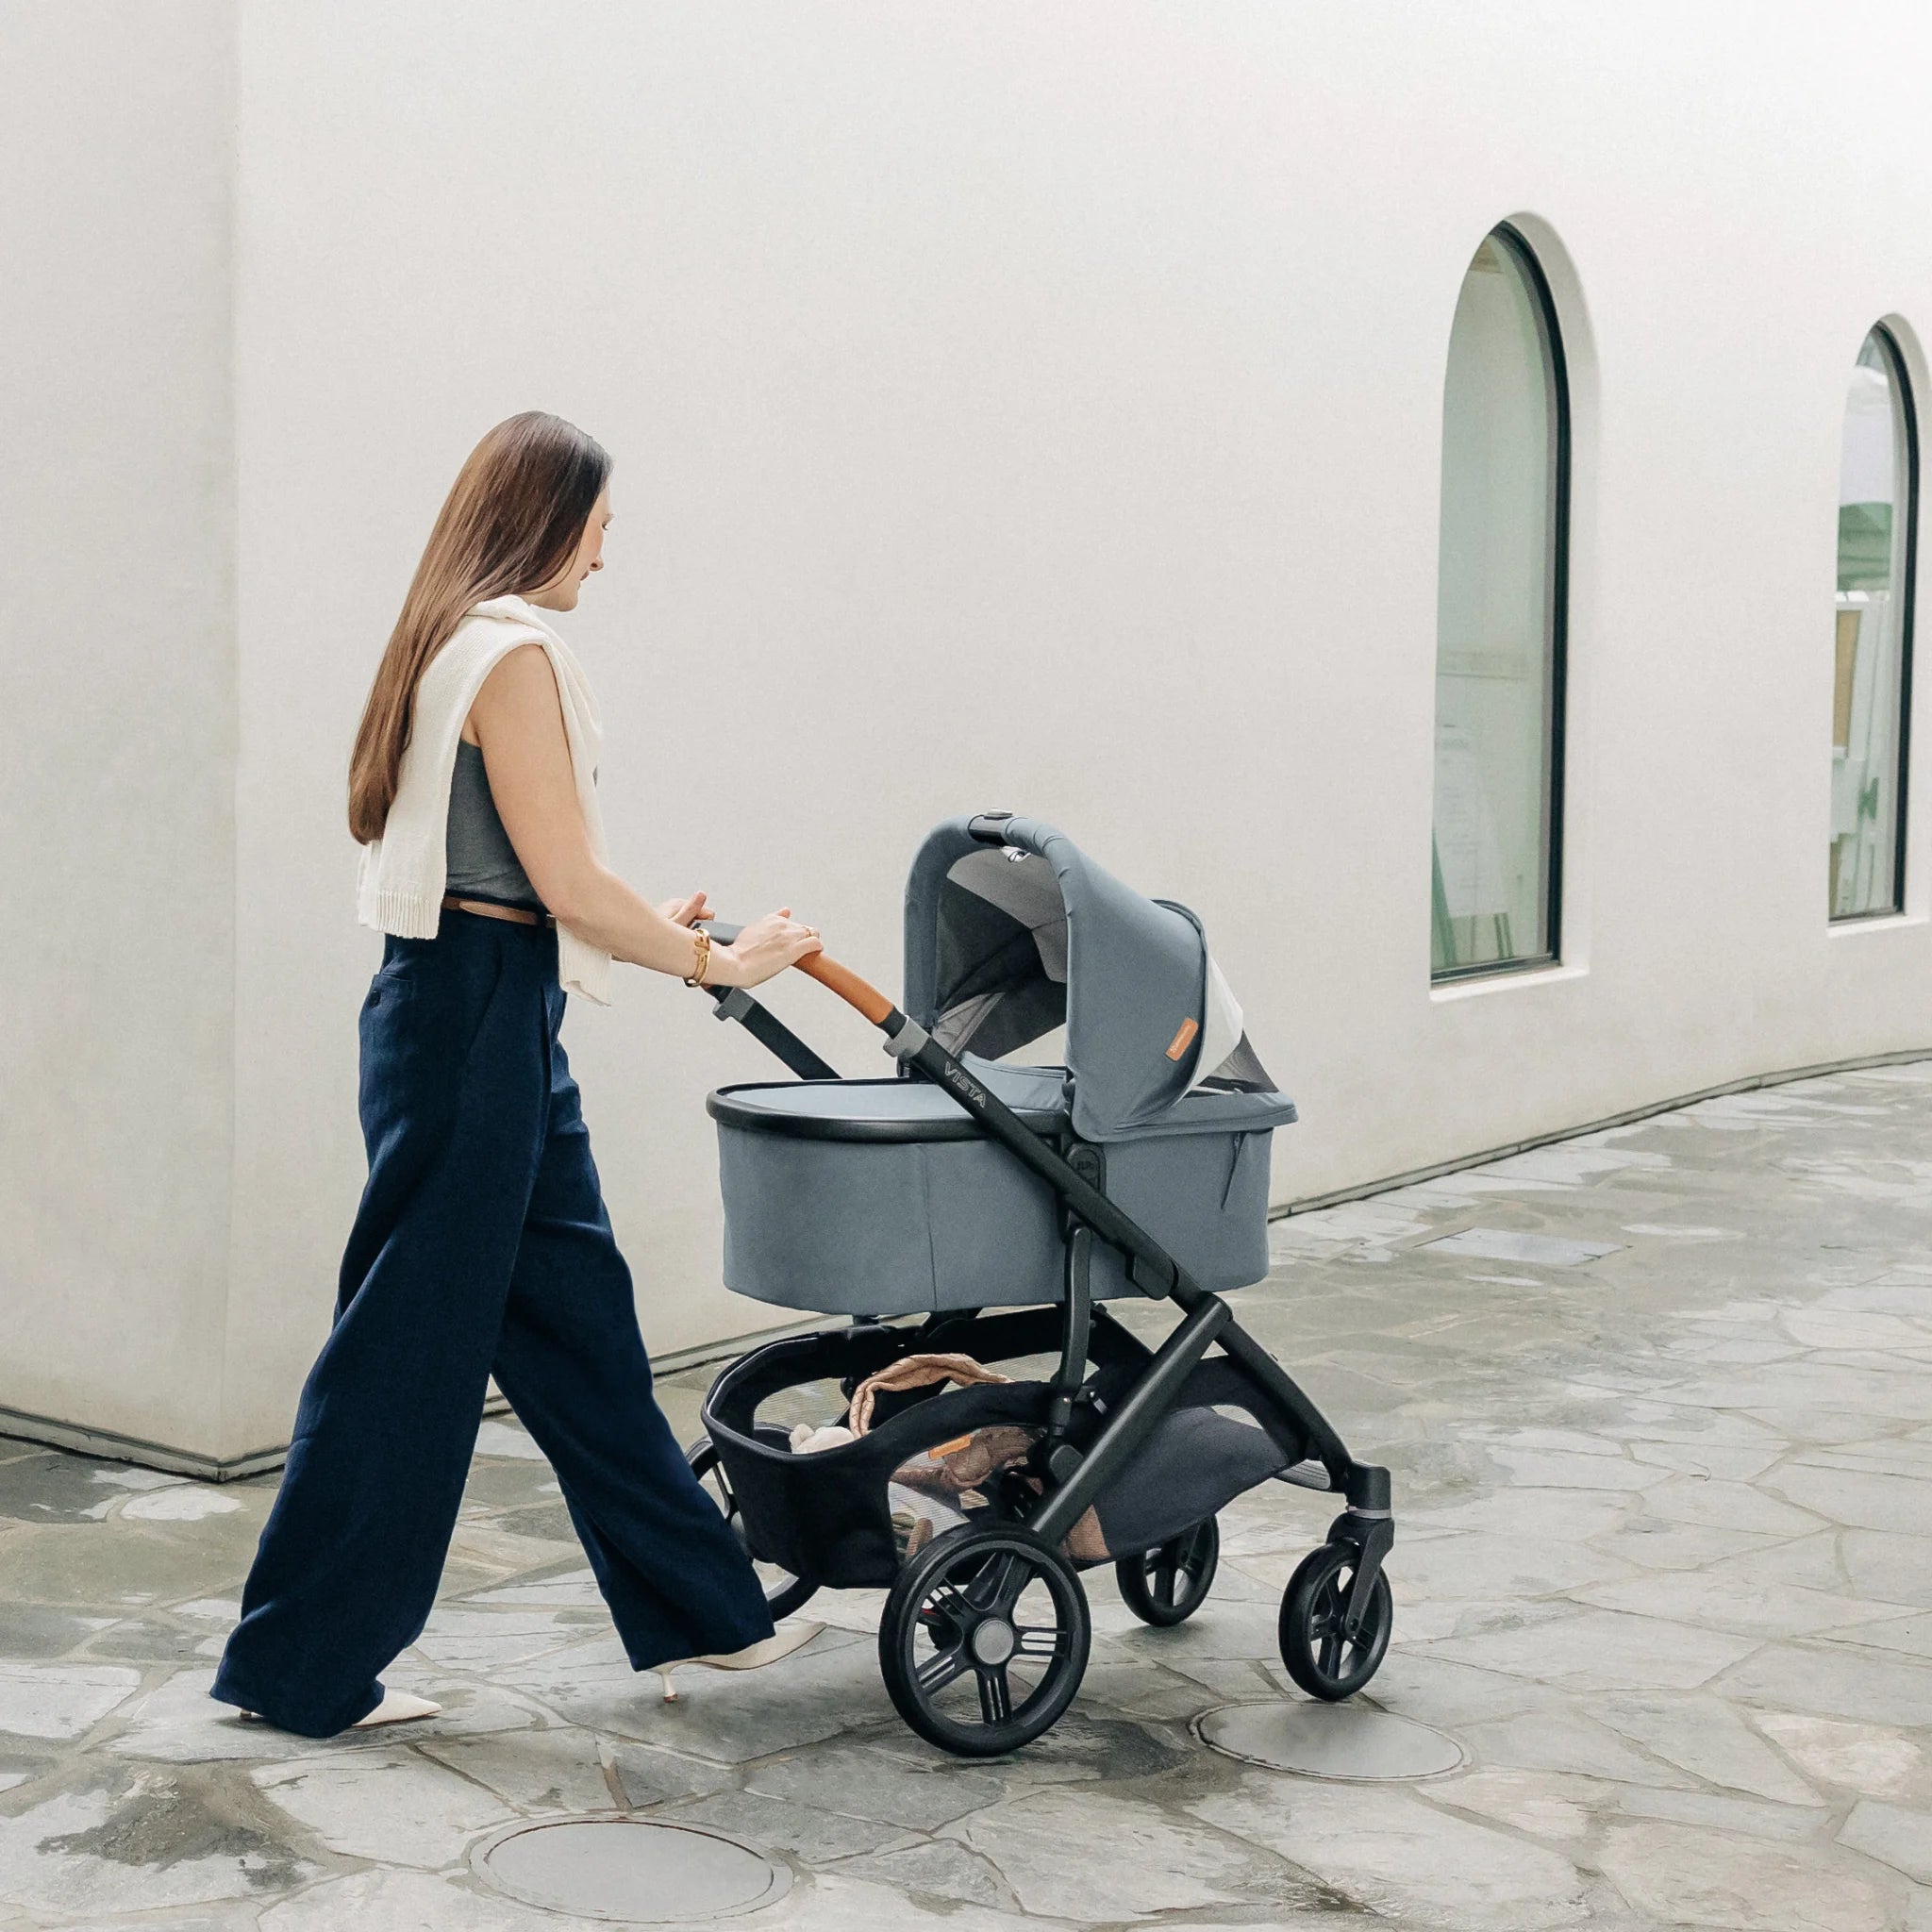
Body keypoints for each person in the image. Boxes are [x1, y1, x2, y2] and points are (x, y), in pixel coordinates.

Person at [211, 411, 824, 1737]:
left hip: (472, 1006)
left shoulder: (449, 638)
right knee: (406, 1357)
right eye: (600, 530)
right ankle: (297, 1669)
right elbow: (566, 884)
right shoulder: (515, 653)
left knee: (580, 1332)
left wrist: (648, 921)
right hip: (475, 1020)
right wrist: (720, 962)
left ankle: (704, 1615)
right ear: (549, 520)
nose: (604, 559)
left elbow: (519, 880)